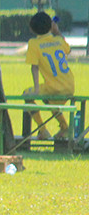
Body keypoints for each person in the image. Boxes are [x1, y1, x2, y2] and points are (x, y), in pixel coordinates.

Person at [23, 11, 74, 139]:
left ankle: (43, 130)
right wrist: (57, 32)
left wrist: (36, 88)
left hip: (54, 88)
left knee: (27, 95)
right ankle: (64, 128)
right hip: (69, 85)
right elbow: (69, 50)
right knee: (48, 100)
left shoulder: (34, 44)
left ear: (32, 29)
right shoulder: (58, 40)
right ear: (51, 26)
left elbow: (34, 67)